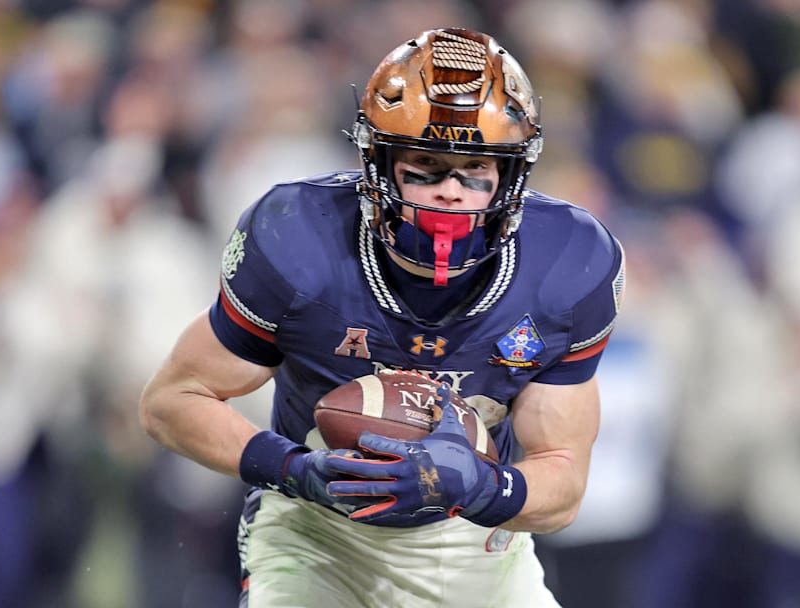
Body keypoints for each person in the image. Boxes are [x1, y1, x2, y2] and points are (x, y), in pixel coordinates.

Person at [139, 28, 625, 608]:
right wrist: (294, 468)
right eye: (425, 165)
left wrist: (479, 485)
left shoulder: (568, 265)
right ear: (378, 164)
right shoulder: (299, 239)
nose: (450, 192)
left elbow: (563, 483)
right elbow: (171, 401)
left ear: (512, 175)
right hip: (317, 528)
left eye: (475, 167)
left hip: (470, 536)